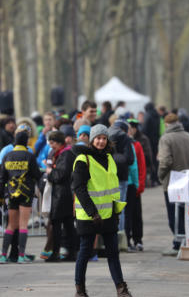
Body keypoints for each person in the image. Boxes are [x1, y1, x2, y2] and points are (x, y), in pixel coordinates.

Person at [72, 124, 132, 297]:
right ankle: (80, 290)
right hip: (89, 215)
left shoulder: (109, 158)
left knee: (113, 253)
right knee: (84, 252)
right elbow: (79, 189)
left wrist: (116, 209)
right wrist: (92, 213)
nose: (101, 141)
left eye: (104, 138)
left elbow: (112, 187)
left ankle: (121, 289)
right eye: (98, 138)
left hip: (108, 214)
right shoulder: (83, 160)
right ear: (92, 140)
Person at [0, 131, 42, 264]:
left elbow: (1, 178)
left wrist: (0, 196)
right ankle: (21, 256)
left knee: (11, 225)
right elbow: (37, 174)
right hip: (26, 193)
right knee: (23, 225)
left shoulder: (7, 155)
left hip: (11, 193)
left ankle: (3, 255)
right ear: (26, 141)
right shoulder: (29, 156)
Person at [157, 113, 189, 256]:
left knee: (173, 214)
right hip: (187, 179)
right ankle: (185, 241)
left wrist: (160, 175)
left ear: (166, 124)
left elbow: (165, 160)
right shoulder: (188, 136)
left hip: (171, 180)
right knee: (184, 213)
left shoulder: (166, 138)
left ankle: (177, 243)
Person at [45, 131, 76, 262]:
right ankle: (72, 252)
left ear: (58, 142)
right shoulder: (60, 154)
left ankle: (56, 253)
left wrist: (50, 172)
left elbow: (60, 175)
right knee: (68, 225)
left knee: (58, 224)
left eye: (52, 143)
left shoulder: (66, 154)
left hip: (62, 195)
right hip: (62, 194)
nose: (51, 146)